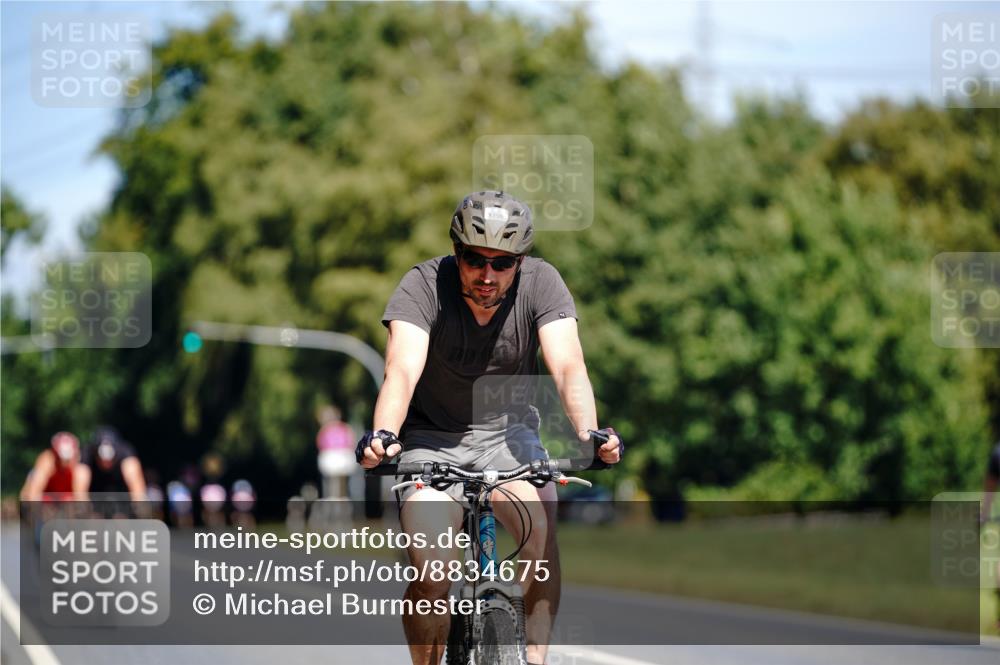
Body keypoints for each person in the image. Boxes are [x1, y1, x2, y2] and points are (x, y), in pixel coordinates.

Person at [356, 191, 622, 665]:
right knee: (433, 568)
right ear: (456, 252)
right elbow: (401, 368)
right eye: (475, 260)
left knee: (539, 533)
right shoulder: (422, 285)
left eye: (503, 263)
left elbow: (567, 364)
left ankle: (533, 660)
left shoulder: (542, 283)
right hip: (429, 441)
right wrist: (383, 434)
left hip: (510, 439)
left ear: (521, 261)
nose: (487, 275)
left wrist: (589, 432)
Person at [76, 426, 147, 502]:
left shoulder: (126, 453)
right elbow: (80, 491)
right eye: (102, 460)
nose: (106, 464)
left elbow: (137, 488)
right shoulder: (86, 455)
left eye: (109, 460)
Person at [20, 432, 86, 502]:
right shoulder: (46, 462)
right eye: (60, 458)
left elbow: (81, 499)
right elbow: (32, 494)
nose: (64, 462)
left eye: (68, 459)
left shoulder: (80, 471)